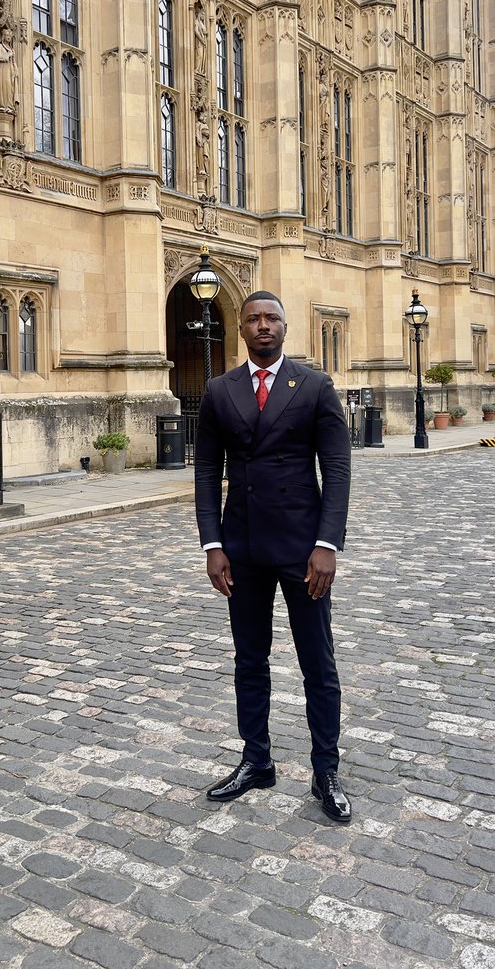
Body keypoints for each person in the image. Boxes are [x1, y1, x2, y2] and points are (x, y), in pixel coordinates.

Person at [194, 291, 352, 823]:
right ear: (240, 328)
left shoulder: (314, 386)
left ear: (286, 327)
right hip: (242, 549)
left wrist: (327, 545)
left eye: (272, 319)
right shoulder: (220, 389)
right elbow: (205, 472)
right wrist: (212, 544)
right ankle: (256, 760)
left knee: (317, 664)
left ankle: (325, 769)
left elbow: (337, 471)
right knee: (249, 660)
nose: (263, 326)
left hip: (303, 550)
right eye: (254, 319)